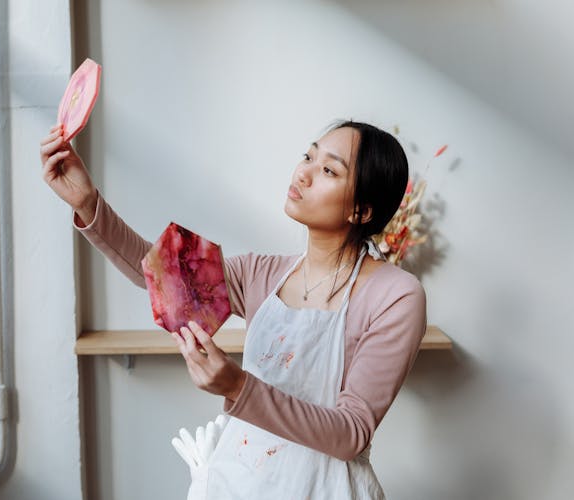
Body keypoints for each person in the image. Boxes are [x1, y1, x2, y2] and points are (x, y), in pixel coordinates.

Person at [40, 120, 426, 499]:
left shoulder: (395, 296)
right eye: (308, 156)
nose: (304, 173)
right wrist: (88, 203)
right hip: (239, 482)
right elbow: (162, 276)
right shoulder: (261, 272)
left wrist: (237, 387)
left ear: (360, 211)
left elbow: (351, 433)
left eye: (328, 169)